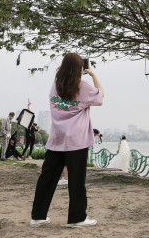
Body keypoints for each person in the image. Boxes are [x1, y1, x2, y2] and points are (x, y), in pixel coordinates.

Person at [30, 53, 104, 228]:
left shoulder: (56, 85)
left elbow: (54, 105)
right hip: (76, 141)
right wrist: (93, 74)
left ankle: (38, 217)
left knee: (47, 179)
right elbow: (100, 97)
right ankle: (77, 218)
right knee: (76, 180)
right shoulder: (83, 85)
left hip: (57, 138)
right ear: (80, 68)